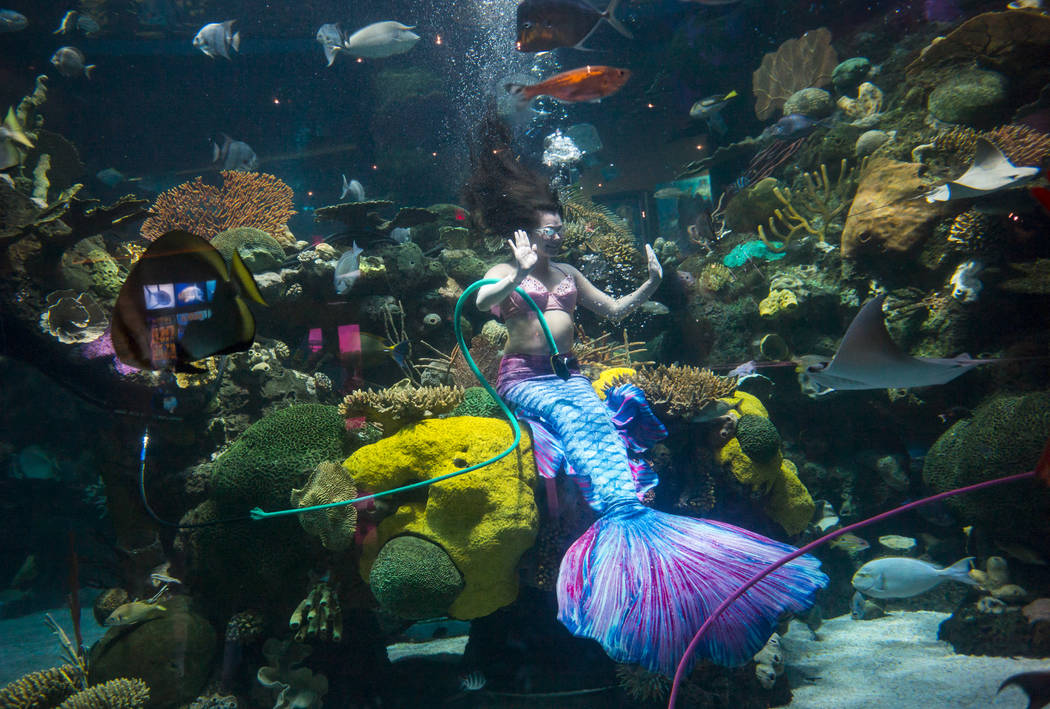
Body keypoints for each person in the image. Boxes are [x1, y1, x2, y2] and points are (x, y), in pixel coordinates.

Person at [463, 115, 826, 675]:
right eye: (549, 230)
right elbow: (483, 302)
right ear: (526, 233)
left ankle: (630, 516)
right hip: (525, 378)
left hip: (569, 372)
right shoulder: (504, 271)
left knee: (606, 430)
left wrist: (653, 282)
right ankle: (614, 523)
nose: (558, 236)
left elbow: (612, 310)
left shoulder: (567, 274)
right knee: (572, 420)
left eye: (560, 229)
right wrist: (520, 271)